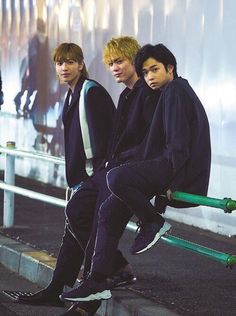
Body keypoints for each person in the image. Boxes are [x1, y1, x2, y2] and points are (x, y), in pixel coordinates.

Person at [59, 43, 211, 303]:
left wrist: (167, 187)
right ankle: (96, 281)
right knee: (107, 210)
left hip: (175, 169)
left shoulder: (175, 90)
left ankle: (152, 221)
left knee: (116, 177)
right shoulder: (166, 92)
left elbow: (178, 146)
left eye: (155, 70)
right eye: (146, 72)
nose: (150, 76)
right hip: (166, 166)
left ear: (170, 68)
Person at [19, 37, 159, 316]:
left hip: (117, 176)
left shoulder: (103, 93)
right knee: (78, 215)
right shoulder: (125, 95)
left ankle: (90, 297)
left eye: (121, 61)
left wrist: (100, 172)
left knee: (96, 226)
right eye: (111, 63)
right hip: (109, 174)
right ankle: (71, 284)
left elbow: (129, 141)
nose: (115, 68)